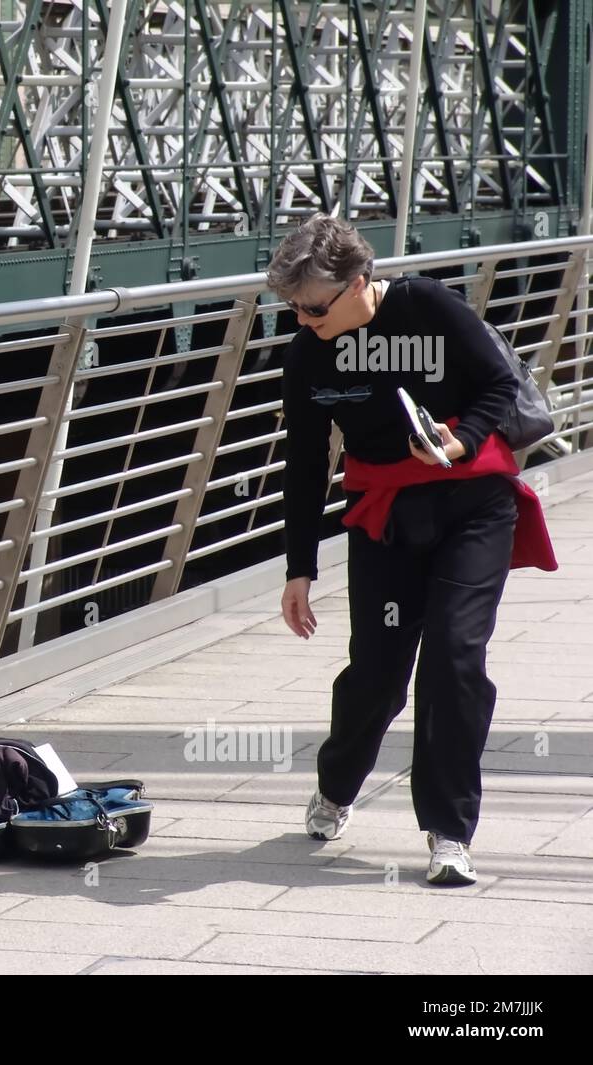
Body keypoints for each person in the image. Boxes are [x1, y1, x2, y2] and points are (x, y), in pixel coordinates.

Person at [270, 213, 555, 886]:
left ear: (358, 282)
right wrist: (300, 568)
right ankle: (337, 786)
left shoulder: (427, 306)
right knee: (376, 670)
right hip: (385, 516)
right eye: (294, 309)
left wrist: (459, 440)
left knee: (455, 658)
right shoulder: (309, 352)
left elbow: (498, 384)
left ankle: (448, 830)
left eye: (314, 306)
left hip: (473, 504)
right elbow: (306, 463)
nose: (305, 319)